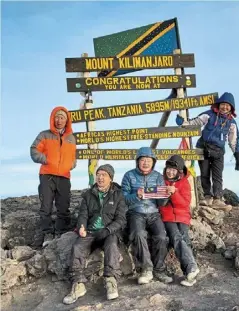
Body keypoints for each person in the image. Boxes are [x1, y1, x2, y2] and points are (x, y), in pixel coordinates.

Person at [63, 164, 127, 304]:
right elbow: (83, 215)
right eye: (99, 174)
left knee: (111, 245)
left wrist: (108, 230)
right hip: (91, 231)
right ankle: (78, 284)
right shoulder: (88, 194)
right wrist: (81, 227)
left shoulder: (118, 194)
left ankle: (110, 281)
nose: (100, 177)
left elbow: (121, 219)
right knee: (77, 247)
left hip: (109, 231)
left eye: (104, 175)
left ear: (110, 178)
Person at [176, 92, 239, 211]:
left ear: (231, 108)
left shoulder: (231, 122)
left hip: (219, 152)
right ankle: (207, 197)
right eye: (223, 104)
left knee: (217, 176)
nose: (225, 107)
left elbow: (233, 140)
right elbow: (195, 122)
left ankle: (217, 199)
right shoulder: (209, 115)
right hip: (203, 148)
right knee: (205, 174)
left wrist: (237, 155)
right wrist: (183, 122)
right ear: (219, 104)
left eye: (228, 106)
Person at [121, 147, 172, 285]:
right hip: (135, 212)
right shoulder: (128, 176)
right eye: (142, 160)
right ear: (137, 161)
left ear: (153, 162)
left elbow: (161, 202)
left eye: (148, 160)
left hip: (154, 213)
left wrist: (166, 195)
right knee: (138, 234)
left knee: (162, 236)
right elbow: (123, 198)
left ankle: (159, 270)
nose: (145, 163)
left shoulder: (158, 177)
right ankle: (146, 269)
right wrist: (136, 195)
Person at [30, 106, 76, 246]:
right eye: (57, 117)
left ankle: (60, 233)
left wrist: (71, 165)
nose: (59, 120)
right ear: (52, 118)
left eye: (62, 117)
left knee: (63, 206)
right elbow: (33, 150)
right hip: (47, 176)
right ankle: (48, 234)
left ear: (66, 120)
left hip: (64, 176)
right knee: (46, 206)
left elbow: (73, 157)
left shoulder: (71, 138)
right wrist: (46, 160)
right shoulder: (44, 135)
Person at [160, 155, 199, 287]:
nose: (170, 172)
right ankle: (191, 268)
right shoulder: (160, 181)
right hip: (167, 217)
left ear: (180, 171)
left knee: (184, 239)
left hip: (182, 216)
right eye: (168, 169)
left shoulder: (184, 182)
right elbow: (158, 202)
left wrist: (175, 193)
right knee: (176, 237)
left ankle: (189, 274)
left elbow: (184, 204)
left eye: (174, 170)